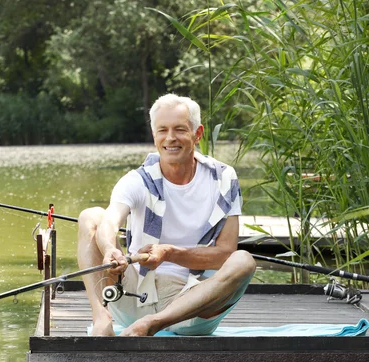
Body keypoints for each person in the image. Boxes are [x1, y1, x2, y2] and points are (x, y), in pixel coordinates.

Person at [77, 93, 256, 337]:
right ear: (154, 136)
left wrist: (169, 253)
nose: (170, 138)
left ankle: (153, 323)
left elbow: (225, 254)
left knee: (243, 260)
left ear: (198, 133)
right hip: (134, 294)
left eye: (180, 129)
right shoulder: (138, 179)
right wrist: (109, 247)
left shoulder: (224, 178)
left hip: (192, 307)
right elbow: (110, 220)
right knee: (91, 216)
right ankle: (101, 318)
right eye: (162, 130)